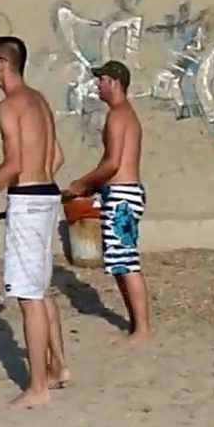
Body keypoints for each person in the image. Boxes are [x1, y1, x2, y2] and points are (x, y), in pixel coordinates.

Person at [0, 35, 69, 409]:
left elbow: (14, 164)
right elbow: (57, 157)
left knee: (28, 296)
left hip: (29, 199)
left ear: (2, 64)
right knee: (41, 287)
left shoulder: (9, 105)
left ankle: (38, 387)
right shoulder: (39, 101)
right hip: (46, 194)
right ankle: (59, 367)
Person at [63, 60, 152, 344]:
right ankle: (136, 325)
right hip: (120, 195)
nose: (97, 85)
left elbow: (113, 163)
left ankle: (142, 329)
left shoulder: (118, 115)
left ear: (114, 82)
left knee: (127, 261)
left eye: (100, 79)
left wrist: (82, 183)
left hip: (123, 197)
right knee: (118, 261)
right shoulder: (124, 114)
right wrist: (93, 188)